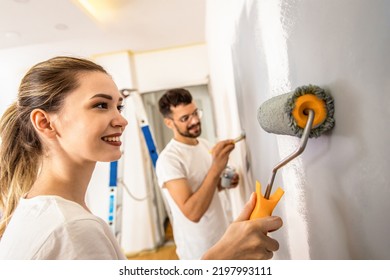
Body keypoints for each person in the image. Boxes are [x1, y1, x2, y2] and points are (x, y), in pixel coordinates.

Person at [0, 56, 282, 260]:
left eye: (118, 106)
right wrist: (222, 258)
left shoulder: (45, 215)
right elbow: (192, 211)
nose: (121, 120)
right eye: (100, 105)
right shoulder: (70, 229)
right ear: (46, 123)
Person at [156, 88, 282, 260]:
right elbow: (193, 212)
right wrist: (216, 168)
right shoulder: (169, 159)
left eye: (195, 113)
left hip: (222, 238)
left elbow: (207, 188)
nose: (194, 121)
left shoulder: (205, 145)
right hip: (198, 252)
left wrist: (225, 183)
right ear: (169, 123)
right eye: (185, 118)